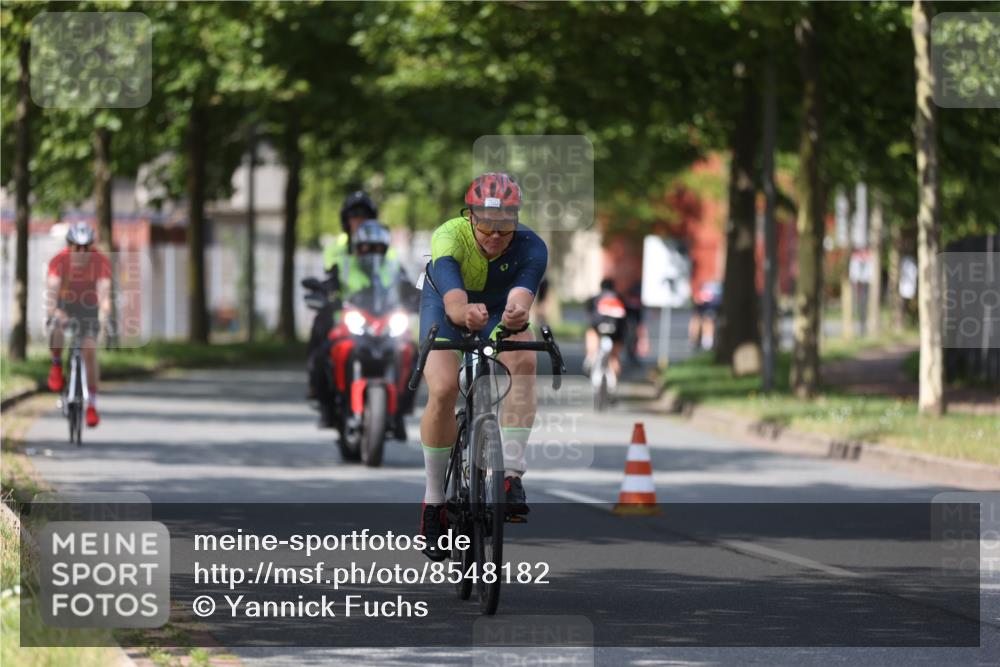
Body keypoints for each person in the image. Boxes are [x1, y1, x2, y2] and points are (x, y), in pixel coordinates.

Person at [418, 172, 547, 561]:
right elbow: (455, 300)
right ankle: (434, 499)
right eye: (486, 225)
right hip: (446, 302)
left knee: (523, 360)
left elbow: (523, 294)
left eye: (504, 227)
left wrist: (516, 314)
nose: (494, 235)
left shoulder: (532, 246)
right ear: (470, 216)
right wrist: (461, 312)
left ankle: (510, 476)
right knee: (442, 387)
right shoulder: (448, 235)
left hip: (498, 309)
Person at [307, 191, 378, 405]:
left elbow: (395, 274)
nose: (359, 221)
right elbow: (331, 276)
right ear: (346, 220)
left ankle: (402, 404)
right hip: (344, 310)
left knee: (409, 349)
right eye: (354, 216)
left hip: (377, 310)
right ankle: (316, 385)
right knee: (320, 332)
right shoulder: (336, 247)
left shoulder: (384, 245)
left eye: (364, 216)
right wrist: (326, 291)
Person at [46, 222, 112, 427]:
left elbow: (104, 291)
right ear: (69, 245)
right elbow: (52, 292)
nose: (82, 252)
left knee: (89, 351)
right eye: (77, 247)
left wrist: (104, 311)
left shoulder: (100, 261)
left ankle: (91, 404)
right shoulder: (59, 261)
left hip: (89, 307)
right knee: (56, 327)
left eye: (86, 247)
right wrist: (55, 311)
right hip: (65, 304)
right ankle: (56, 365)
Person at [583, 279, 628, 381]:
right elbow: (626, 318)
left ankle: (590, 357)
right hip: (617, 333)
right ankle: (614, 384)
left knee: (591, 333)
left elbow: (589, 315)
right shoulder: (620, 299)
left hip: (598, 329)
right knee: (614, 357)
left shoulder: (595, 299)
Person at [688, 280, 722, 351]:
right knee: (697, 319)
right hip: (704, 299)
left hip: (713, 300)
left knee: (708, 319)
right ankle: (696, 341)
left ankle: (706, 341)